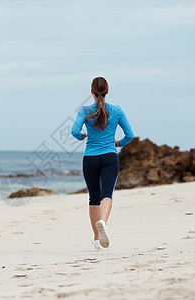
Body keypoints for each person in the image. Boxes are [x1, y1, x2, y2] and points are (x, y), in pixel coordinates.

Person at [71, 77, 134, 250]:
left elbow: (74, 131)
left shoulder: (85, 111)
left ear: (92, 92)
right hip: (109, 158)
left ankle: (97, 239)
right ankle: (103, 222)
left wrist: (81, 136)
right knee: (107, 194)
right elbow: (130, 135)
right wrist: (118, 144)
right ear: (107, 91)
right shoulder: (117, 110)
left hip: (90, 158)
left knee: (93, 198)